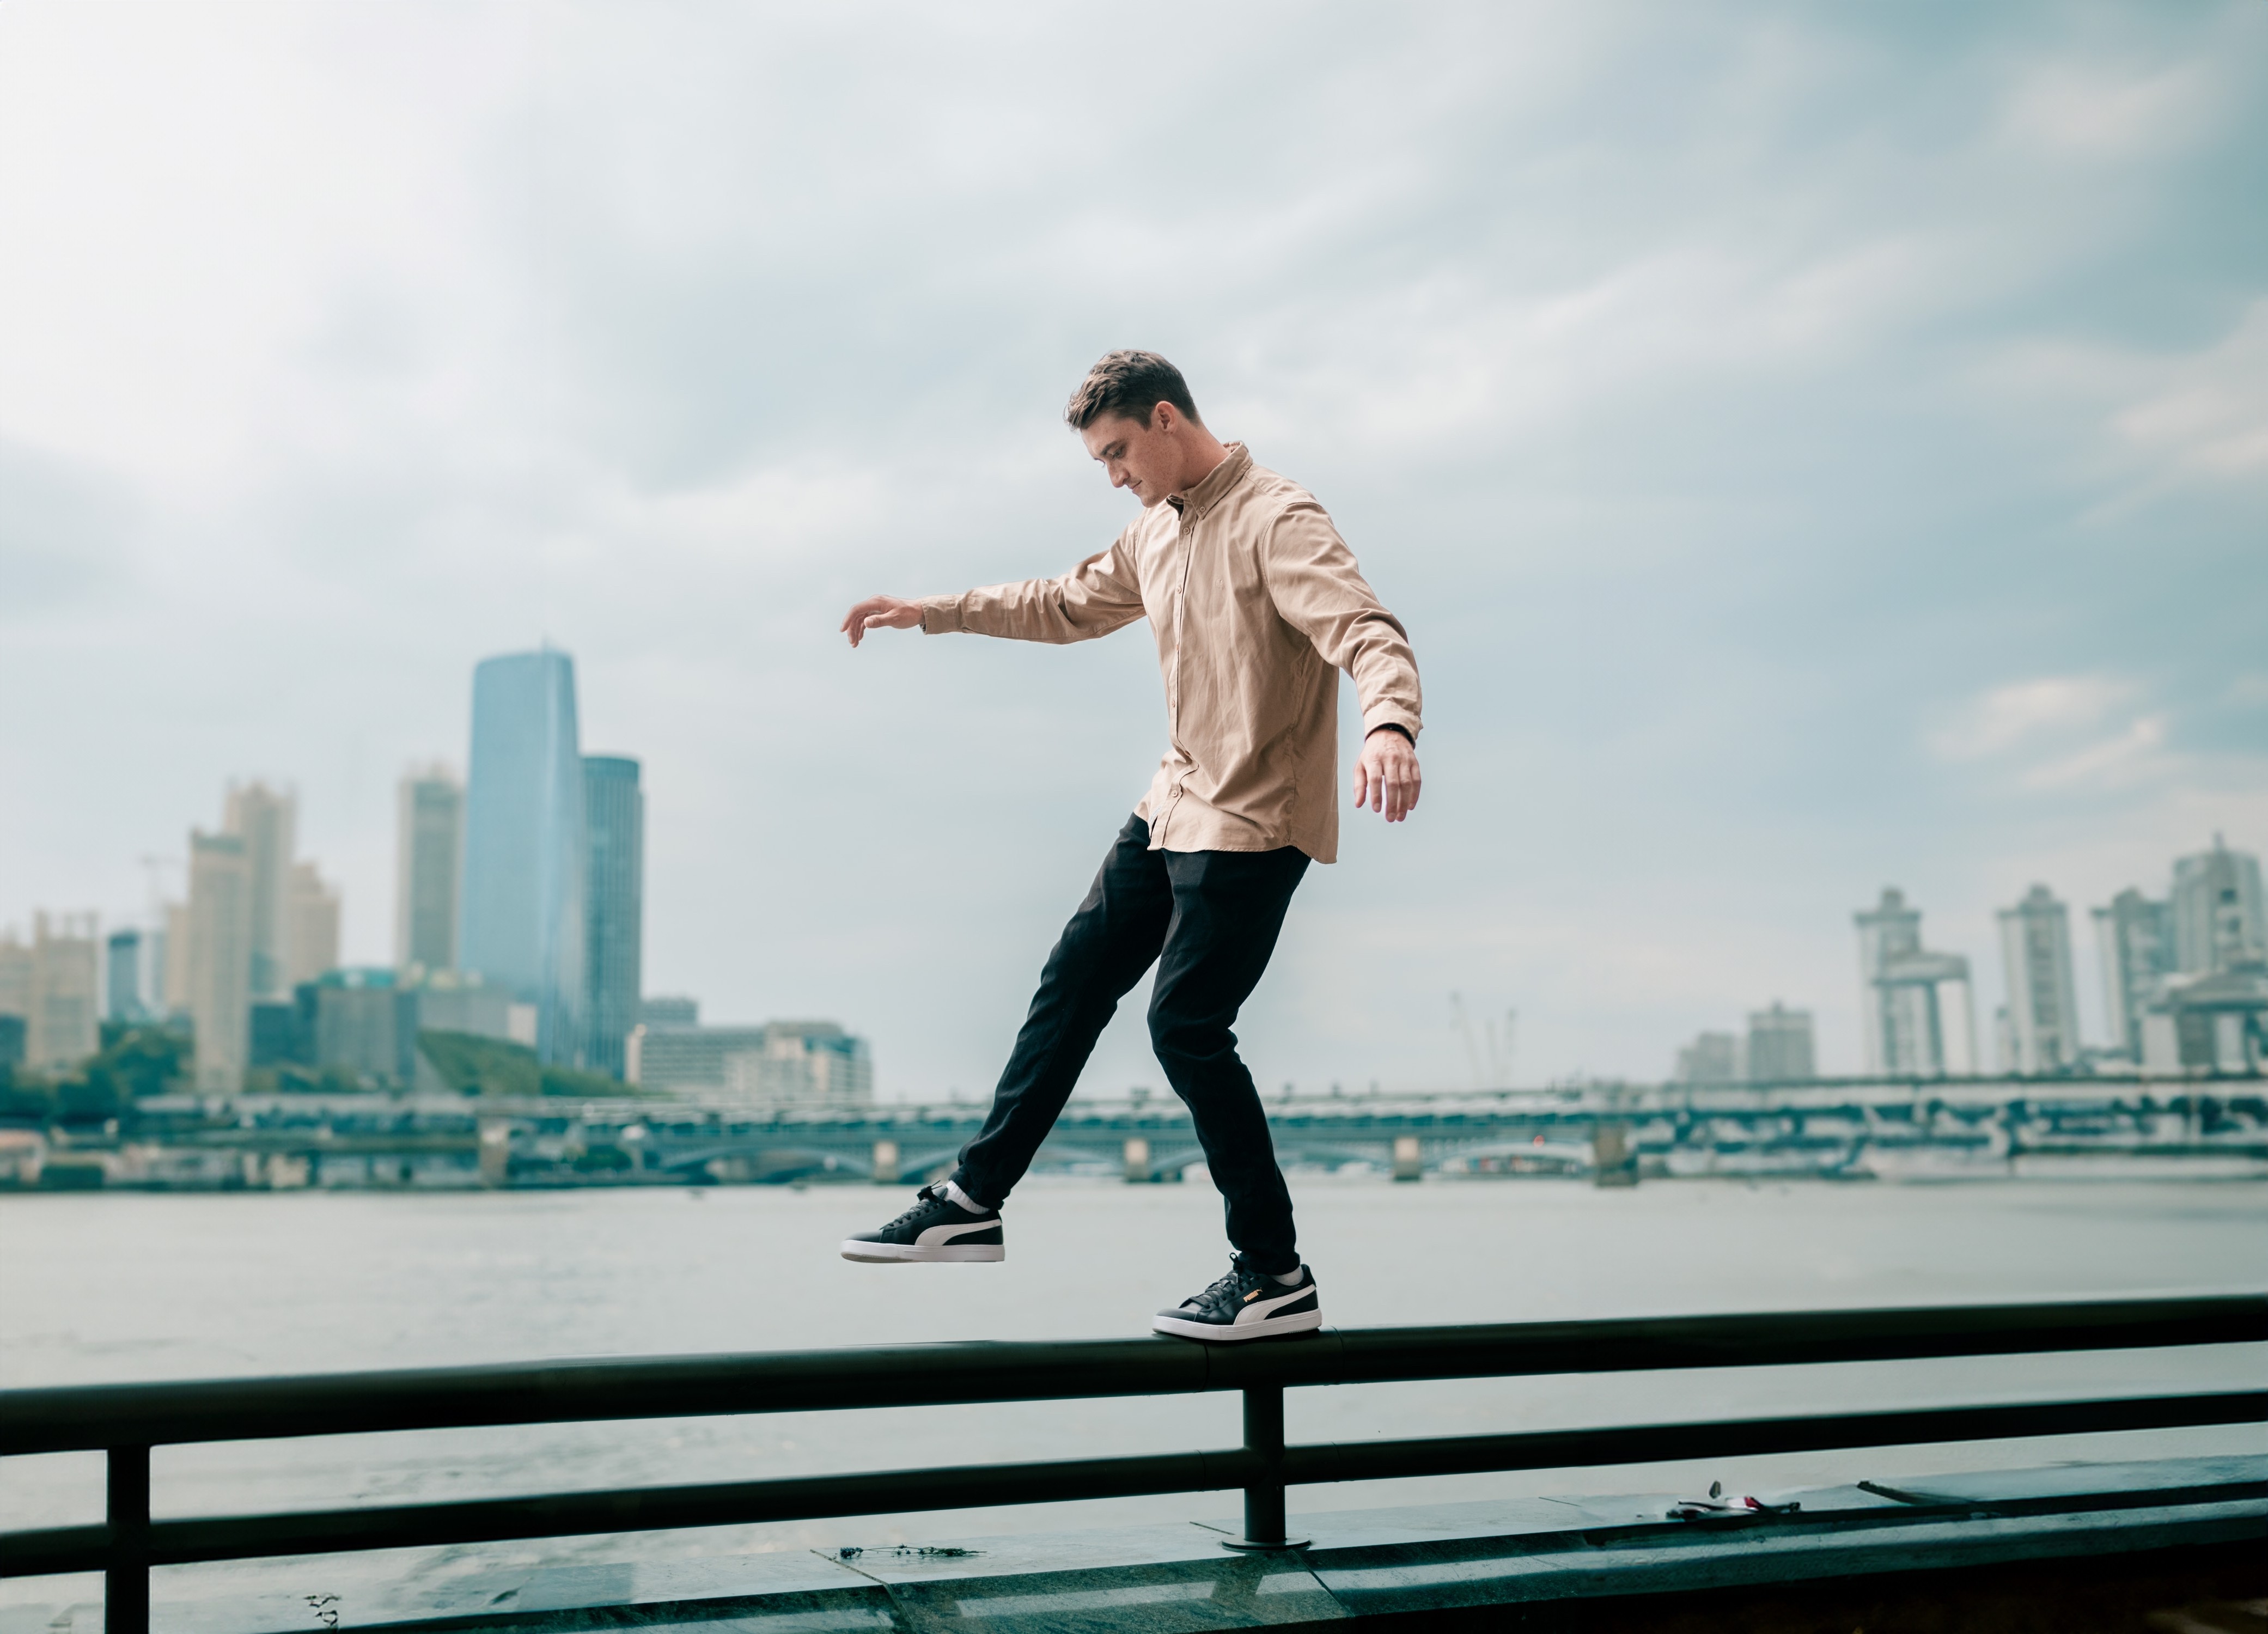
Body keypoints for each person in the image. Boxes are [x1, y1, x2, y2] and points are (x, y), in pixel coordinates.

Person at [836, 350, 1423, 1343]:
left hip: (1253, 818)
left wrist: (1390, 726)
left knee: (1186, 1026)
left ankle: (1274, 1274)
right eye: (1101, 462)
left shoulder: (1277, 517)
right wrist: (930, 612)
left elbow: (1365, 629)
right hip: (1172, 805)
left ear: (1164, 419)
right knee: (1071, 980)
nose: (1115, 476)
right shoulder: (1154, 533)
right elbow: (1063, 603)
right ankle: (974, 1203)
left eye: (1118, 454)